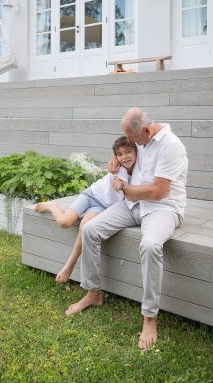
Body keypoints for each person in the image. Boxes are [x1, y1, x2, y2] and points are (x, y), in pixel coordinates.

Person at [65, 107, 188, 350]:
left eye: (131, 138)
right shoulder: (140, 139)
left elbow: (158, 191)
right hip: (133, 205)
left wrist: (125, 189)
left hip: (162, 208)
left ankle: (150, 317)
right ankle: (93, 293)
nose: (129, 142)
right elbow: (127, 154)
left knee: (151, 245)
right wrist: (117, 160)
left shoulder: (171, 146)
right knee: (89, 229)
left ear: (145, 130)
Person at [34, 136, 138, 283]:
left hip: (104, 206)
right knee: (64, 222)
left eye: (128, 152)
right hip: (92, 195)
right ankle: (52, 206)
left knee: (85, 227)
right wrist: (116, 159)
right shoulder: (118, 167)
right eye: (120, 154)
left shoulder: (140, 169)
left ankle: (70, 264)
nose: (124, 157)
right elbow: (122, 188)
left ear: (136, 151)